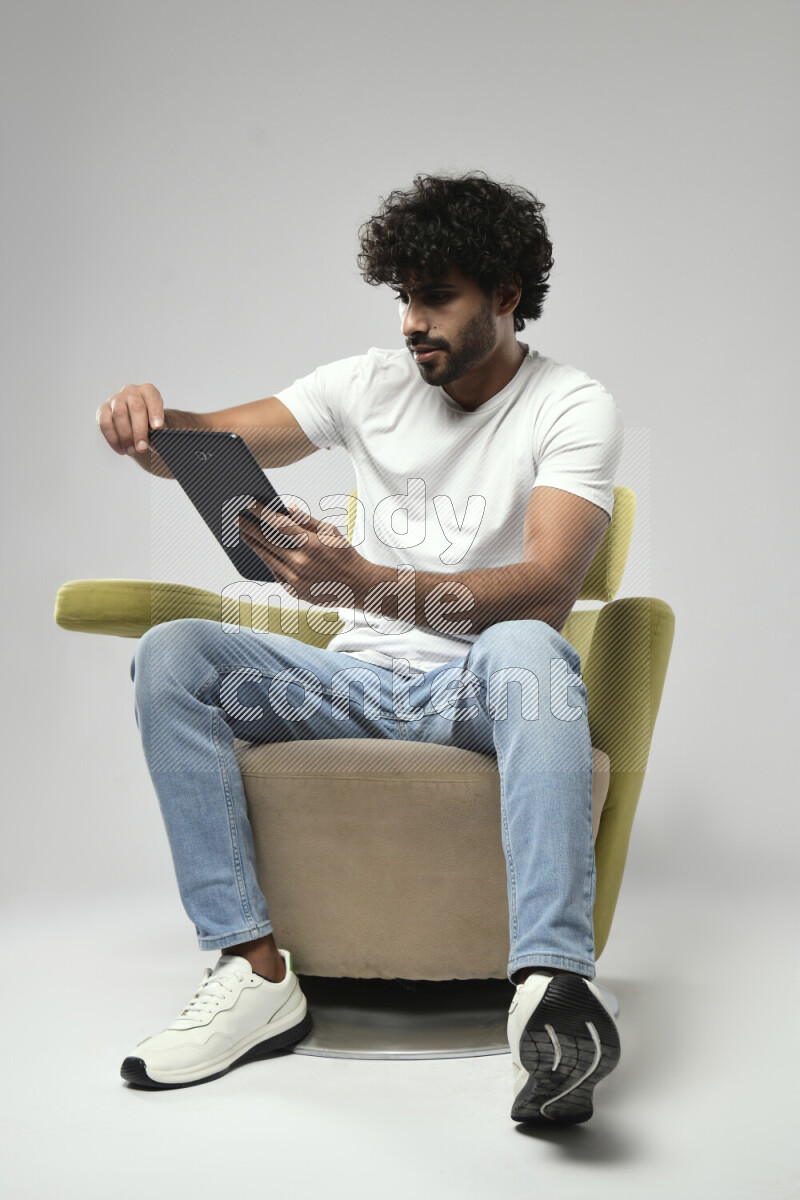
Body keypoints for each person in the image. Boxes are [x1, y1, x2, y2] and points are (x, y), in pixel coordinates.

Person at [96, 171, 624, 1124]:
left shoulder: (571, 405)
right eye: (405, 298)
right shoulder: (367, 384)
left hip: (477, 689)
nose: (413, 322)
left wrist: (368, 580)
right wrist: (149, 424)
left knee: (532, 654)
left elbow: (548, 588)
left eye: (439, 297)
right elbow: (206, 437)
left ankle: (550, 992)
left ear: (506, 296)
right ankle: (254, 973)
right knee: (175, 652)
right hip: (347, 681)